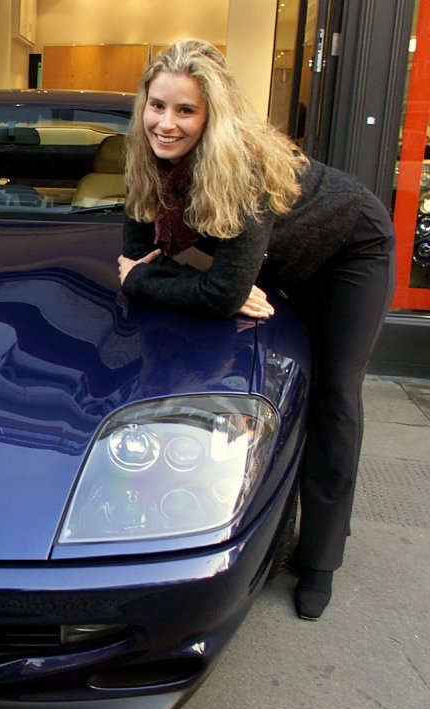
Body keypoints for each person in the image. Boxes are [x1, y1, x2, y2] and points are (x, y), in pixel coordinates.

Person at [117, 39, 395, 620]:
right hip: (281, 259)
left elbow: (191, 287)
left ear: (212, 115)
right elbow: (137, 258)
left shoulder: (237, 169)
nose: (166, 124)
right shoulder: (148, 161)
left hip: (350, 251)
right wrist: (170, 279)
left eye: (185, 111)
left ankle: (320, 559)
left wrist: (161, 281)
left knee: (334, 395)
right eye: (157, 106)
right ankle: (275, 523)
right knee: (281, 390)